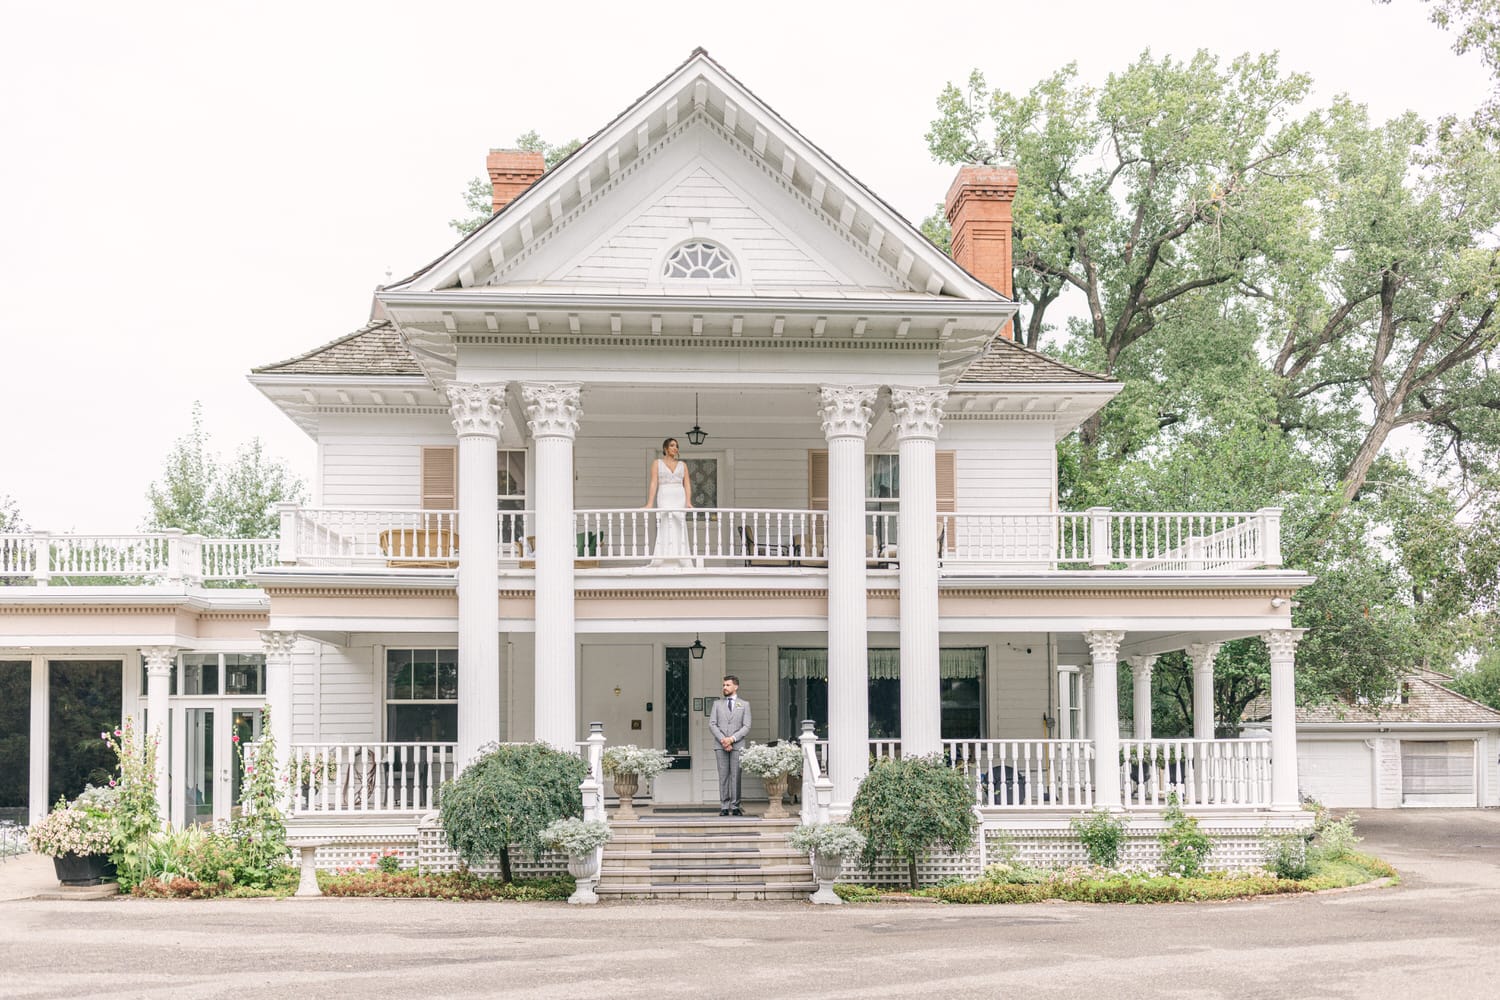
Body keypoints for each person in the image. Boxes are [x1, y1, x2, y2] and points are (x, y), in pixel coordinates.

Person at [644, 437, 693, 567]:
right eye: (672, 445)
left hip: (679, 495)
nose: (675, 448)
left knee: (678, 523)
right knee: (666, 521)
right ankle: (664, 557)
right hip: (665, 494)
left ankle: (681, 557)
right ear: (665, 448)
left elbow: (687, 484)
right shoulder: (657, 463)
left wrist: (688, 501)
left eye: (676, 446)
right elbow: (654, 483)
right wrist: (650, 503)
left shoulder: (683, 465)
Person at [709, 675, 751, 816]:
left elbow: (746, 726)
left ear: (735, 686)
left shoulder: (744, 705)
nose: (724, 687)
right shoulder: (717, 704)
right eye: (723, 685)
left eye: (727, 685)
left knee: (736, 776)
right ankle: (724, 806)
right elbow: (712, 724)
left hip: (737, 745)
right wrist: (723, 740)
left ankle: (736, 806)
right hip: (720, 745)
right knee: (723, 776)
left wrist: (732, 739)